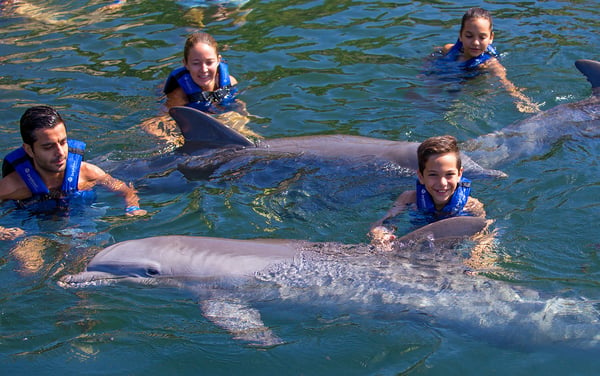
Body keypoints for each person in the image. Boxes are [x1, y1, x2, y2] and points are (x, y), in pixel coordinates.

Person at [0, 105, 146, 240]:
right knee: (28, 262)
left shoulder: (88, 173)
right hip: (30, 221)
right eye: (48, 147)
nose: (60, 152)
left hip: (77, 221)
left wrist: (133, 207)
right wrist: (3, 231)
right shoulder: (14, 186)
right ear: (29, 150)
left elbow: (125, 190)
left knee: (86, 249)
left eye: (63, 142)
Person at [369, 135, 485, 249]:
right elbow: (384, 222)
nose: (442, 183)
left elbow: (484, 235)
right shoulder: (408, 198)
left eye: (449, 174)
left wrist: (477, 256)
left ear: (459, 174)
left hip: (455, 245)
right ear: (421, 176)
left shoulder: (472, 206)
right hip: (417, 243)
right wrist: (382, 235)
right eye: (433, 175)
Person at [141, 31, 258, 144]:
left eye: (209, 62)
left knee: (233, 118)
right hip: (192, 114)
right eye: (196, 63)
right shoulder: (180, 94)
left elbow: (237, 105)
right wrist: (174, 140)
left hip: (212, 112)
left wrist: (244, 123)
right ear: (185, 64)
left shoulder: (230, 82)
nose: (204, 69)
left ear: (218, 60)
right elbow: (151, 124)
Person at [437, 7, 540, 113]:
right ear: (460, 35)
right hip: (451, 79)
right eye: (469, 36)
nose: (475, 42)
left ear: (491, 37)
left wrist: (521, 100)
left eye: (482, 38)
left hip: (473, 90)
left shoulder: (490, 64)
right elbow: (434, 55)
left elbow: (505, 83)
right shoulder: (448, 49)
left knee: (456, 105)